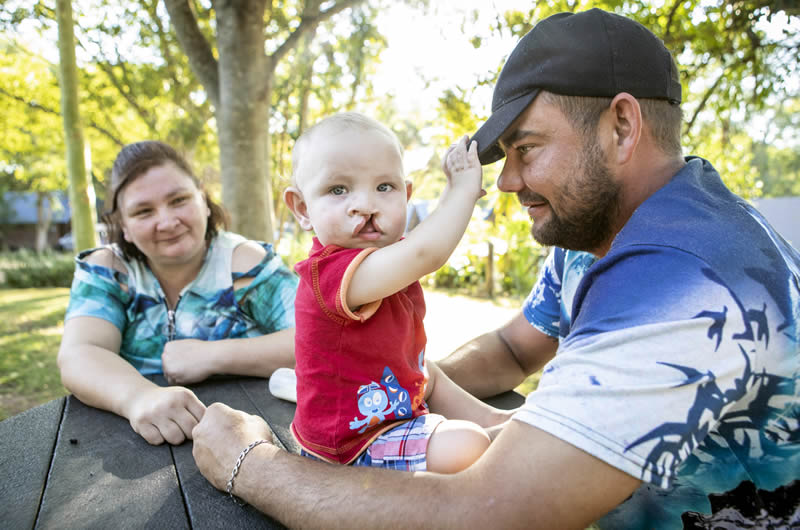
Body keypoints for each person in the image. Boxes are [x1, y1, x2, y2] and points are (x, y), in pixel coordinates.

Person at [191, 9, 800, 528]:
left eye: (526, 148)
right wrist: (380, 391)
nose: (506, 181)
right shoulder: (603, 231)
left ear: (621, 127)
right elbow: (512, 349)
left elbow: (488, 512)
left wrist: (250, 466)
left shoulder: (683, 279)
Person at [282, 112, 508, 473]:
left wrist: (449, 191)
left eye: (384, 187)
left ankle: (493, 420)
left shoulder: (384, 256)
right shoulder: (331, 273)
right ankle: (490, 440)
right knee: (468, 445)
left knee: (428, 372)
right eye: (338, 190)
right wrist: (463, 191)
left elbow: (421, 242)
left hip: (393, 405)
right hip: (352, 443)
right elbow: (424, 252)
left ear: (406, 195)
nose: (365, 205)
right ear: (303, 209)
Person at [58, 140, 298, 446]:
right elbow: (79, 354)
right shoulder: (108, 270)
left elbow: (321, 338)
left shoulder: (246, 263)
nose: (168, 222)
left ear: (203, 199)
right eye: (144, 211)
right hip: (129, 445)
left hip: (257, 435)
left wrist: (213, 356)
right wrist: (140, 397)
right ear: (123, 225)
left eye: (179, 200)